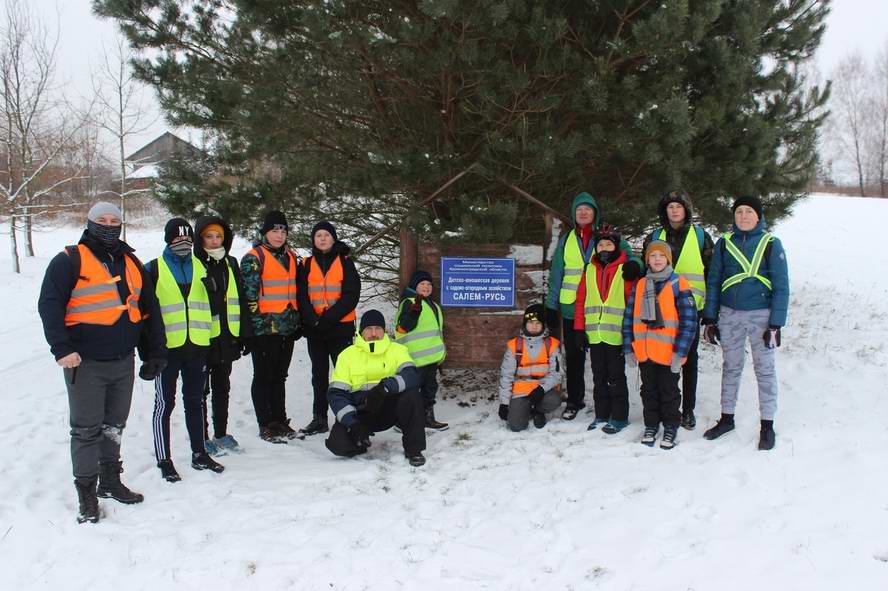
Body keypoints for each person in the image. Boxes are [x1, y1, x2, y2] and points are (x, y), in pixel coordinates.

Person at [38, 201, 167, 523]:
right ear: (89, 223)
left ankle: (110, 480)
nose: (108, 226)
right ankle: (86, 494)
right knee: (85, 430)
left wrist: (154, 353)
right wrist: (61, 348)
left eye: (114, 221)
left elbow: (148, 312)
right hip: (84, 363)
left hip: (122, 360)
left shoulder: (132, 262)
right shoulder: (69, 260)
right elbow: (50, 305)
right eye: (101, 220)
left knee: (114, 426)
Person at [701, 195, 789, 451]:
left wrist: (776, 324)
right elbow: (714, 280)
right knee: (731, 367)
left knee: (764, 370)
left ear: (758, 216)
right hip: (729, 314)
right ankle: (727, 419)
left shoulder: (771, 243)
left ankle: (767, 425)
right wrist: (710, 317)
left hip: (761, 315)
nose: (743, 216)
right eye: (739, 212)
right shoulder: (724, 243)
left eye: (748, 211)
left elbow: (782, 286)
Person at [545, 192, 642, 420]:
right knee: (575, 358)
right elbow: (557, 272)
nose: (583, 213)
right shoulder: (567, 239)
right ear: (574, 213)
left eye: (588, 209)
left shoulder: (606, 234)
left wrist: (635, 266)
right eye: (579, 209)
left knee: (606, 361)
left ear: (595, 212)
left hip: (603, 309)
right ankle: (575, 401)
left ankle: (613, 406)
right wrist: (551, 305)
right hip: (573, 309)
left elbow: (631, 257)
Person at [146, 218, 225, 481]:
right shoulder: (153, 269)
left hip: (197, 347)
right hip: (167, 351)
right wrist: (148, 352)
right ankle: (164, 459)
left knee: (195, 401)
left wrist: (213, 343)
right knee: (164, 404)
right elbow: (144, 314)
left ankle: (199, 453)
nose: (183, 244)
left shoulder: (202, 267)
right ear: (168, 240)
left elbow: (212, 310)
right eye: (177, 239)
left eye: (188, 239)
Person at [642, 190, 714, 430]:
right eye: (670, 206)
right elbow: (645, 267)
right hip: (659, 310)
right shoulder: (655, 235)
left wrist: (710, 310)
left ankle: (688, 410)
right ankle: (665, 408)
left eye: (679, 206)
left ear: (686, 210)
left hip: (690, 309)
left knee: (688, 360)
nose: (674, 210)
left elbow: (711, 273)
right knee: (661, 361)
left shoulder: (701, 236)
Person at [325, 310, 427, 466]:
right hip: (361, 411)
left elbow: (412, 375)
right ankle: (360, 442)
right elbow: (336, 393)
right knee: (338, 446)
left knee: (412, 396)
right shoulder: (347, 355)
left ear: (384, 330)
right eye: (369, 329)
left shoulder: (397, 350)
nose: (374, 333)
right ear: (361, 331)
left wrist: (386, 387)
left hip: (389, 407)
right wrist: (352, 424)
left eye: (378, 328)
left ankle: (414, 449)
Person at [622, 241, 698, 449]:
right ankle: (651, 425)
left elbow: (689, 322)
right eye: (652, 256)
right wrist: (628, 347)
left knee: (669, 392)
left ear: (668, 260)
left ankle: (671, 426)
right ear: (647, 260)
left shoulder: (678, 284)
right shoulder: (640, 285)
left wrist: (680, 353)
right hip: (645, 352)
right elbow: (629, 317)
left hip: (668, 353)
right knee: (649, 391)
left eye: (661, 256)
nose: (656, 260)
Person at [241, 210, 303, 444]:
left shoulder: (290, 256)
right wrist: (252, 331)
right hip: (264, 329)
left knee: (280, 376)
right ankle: (265, 423)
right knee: (264, 376)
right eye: (274, 230)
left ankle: (279, 419)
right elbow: (249, 297)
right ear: (265, 233)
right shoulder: (254, 257)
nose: (279, 235)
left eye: (283, 230)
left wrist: (297, 321)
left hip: (287, 327)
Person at [193, 216, 252, 455]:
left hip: (227, 337)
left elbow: (240, 298)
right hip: (203, 338)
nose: (215, 240)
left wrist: (245, 334)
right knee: (201, 390)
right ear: (200, 238)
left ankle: (221, 432)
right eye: (209, 236)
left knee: (222, 387)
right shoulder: (195, 263)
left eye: (219, 236)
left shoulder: (231, 263)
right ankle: (202, 435)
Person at [296, 221, 360, 437]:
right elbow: (302, 296)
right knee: (319, 375)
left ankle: (349, 416)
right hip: (315, 329)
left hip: (339, 328)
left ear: (333, 238)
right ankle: (320, 418)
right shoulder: (305, 264)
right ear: (313, 240)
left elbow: (351, 295)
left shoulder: (345, 262)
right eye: (318, 235)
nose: (322, 239)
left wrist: (329, 318)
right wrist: (313, 319)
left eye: (326, 235)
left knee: (344, 375)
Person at [578, 225, 638, 434]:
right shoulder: (590, 268)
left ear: (616, 247)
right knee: (598, 376)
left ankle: (620, 417)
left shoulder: (626, 268)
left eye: (609, 244)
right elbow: (581, 299)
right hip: (595, 334)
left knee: (616, 377)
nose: (604, 248)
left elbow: (632, 303)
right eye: (600, 244)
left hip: (616, 335)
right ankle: (601, 414)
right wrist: (579, 329)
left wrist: (630, 334)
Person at [394, 270, 448, 431]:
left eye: (429, 284)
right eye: (422, 284)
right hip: (414, 358)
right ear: (414, 286)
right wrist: (413, 313)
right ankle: (402, 422)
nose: (426, 286)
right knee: (412, 390)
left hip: (430, 358)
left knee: (429, 389)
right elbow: (403, 327)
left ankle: (427, 418)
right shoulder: (410, 302)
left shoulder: (432, 305)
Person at [497, 304, 564, 432]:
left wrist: (541, 389)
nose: (534, 326)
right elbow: (506, 376)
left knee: (554, 400)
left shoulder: (551, 344)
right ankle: (525, 409)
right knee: (516, 426)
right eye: (530, 322)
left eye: (538, 323)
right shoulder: (514, 346)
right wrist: (504, 403)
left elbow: (556, 373)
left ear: (543, 325)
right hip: (521, 390)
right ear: (524, 324)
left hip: (542, 388)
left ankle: (538, 411)